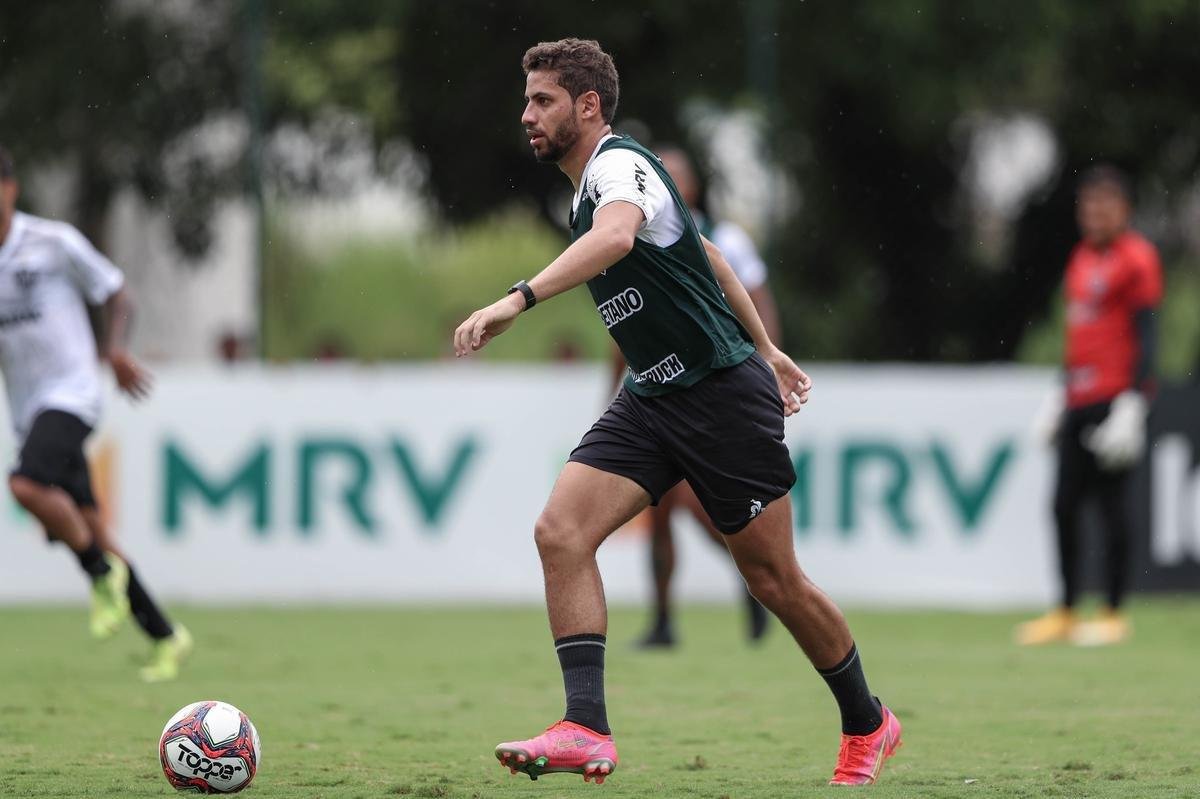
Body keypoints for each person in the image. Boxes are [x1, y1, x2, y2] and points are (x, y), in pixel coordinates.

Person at [453, 39, 901, 786]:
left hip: (721, 395)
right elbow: (709, 256)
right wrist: (769, 344)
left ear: (587, 106)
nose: (526, 114)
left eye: (543, 100)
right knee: (560, 532)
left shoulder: (619, 167)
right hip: (653, 396)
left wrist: (518, 299)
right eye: (527, 99)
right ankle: (585, 726)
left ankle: (868, 721)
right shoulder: (588, 191)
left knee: (775, 581)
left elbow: (618, 237)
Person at [0, 144, 192, 681]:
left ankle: (97, 574)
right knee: (93, 528)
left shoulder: (52, 243)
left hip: (73, 392)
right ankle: (165, 635)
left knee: (25, 486)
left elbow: (117, 292)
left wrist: (116, 351)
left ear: (10, 189)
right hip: (27, 408)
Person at [614, 145, 781, 648]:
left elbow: (758, 302)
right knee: (659, 509)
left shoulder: (726, 238)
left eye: (673, 175)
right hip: (658, 393)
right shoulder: (629, 236)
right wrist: (613, 394)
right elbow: (623, 322)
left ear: (689, 187)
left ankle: (757, 585)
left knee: (708, 511)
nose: (662, 181)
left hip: (720, 392)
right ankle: (663, 620)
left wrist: (768, 365)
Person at [1018, 165, 1162, 647]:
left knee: (1113, 507)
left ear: (1125, 209)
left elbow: (1147, 333)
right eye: (1088, 205)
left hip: (1115, 398)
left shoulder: (1138, 258)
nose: (1095, 214)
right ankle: (1065, 608)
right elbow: (1079, 335)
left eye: (1105, 204)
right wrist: (1061, 392)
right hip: (1078, 396)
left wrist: (1136, 401)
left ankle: (1114, 610)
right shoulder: (1080, 258)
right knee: (1063, 505)